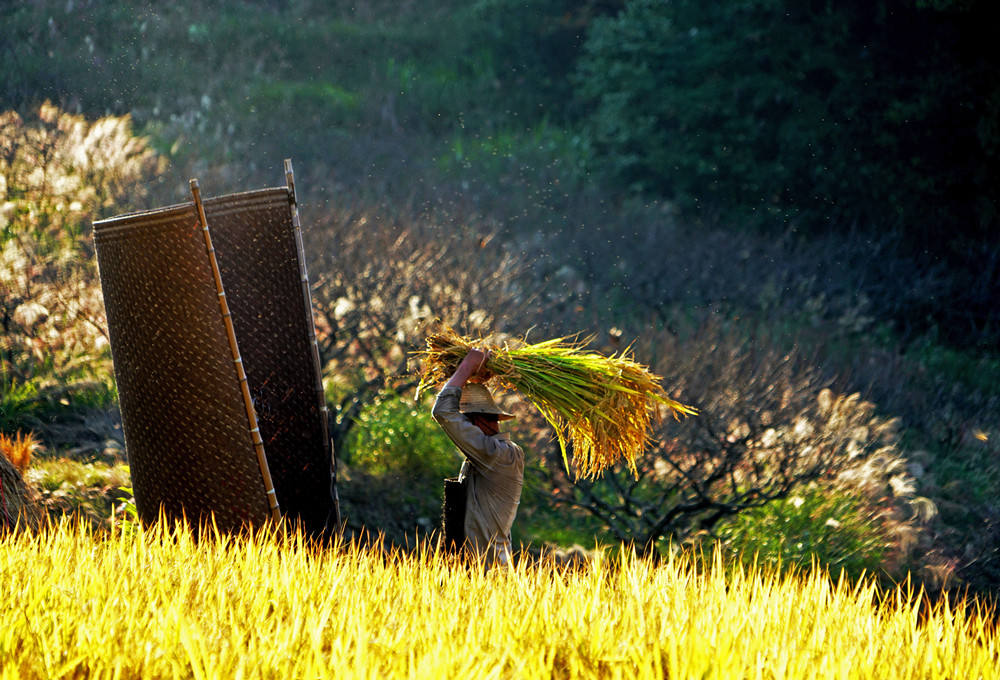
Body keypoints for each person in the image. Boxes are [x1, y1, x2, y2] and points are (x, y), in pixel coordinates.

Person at [432, 348, 523, 567]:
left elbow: (442, 412)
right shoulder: (488, 455)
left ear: (478, 421)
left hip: (488, 575)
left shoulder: (499, 454)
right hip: (473, 573)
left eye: (464, 422)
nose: (461, 429)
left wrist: (466, 367)